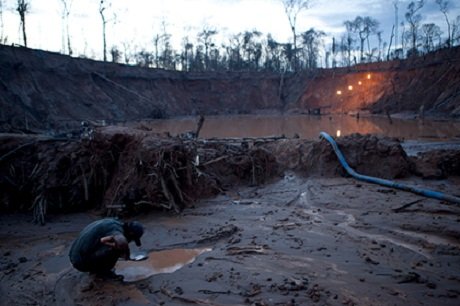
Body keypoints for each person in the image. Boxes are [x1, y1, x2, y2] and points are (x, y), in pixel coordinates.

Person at [69, 218, 144, 277]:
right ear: (130, 233)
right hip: (80, 262)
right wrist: (126, 254)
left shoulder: (114, 222)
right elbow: (122, 242)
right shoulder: (116, 231)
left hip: (75, 254)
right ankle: (103, 272)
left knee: (111, 246)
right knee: (116, 250)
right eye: (132, 239)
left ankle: (96, 267)